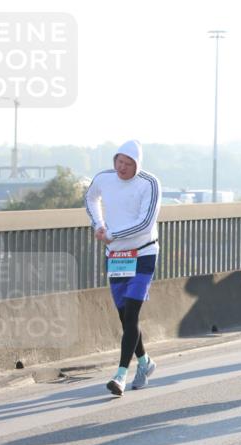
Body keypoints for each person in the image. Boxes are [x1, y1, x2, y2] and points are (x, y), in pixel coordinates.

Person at [84, 139, 161, 396]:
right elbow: (90, 197)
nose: (122, 167)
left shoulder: (149, 184)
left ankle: (120, 376)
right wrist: (99, 225)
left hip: (143, 253)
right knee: (123, 315)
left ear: (137, 165)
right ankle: (145, 362)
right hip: (117, 257)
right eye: (119, 161)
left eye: (128, 163)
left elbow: (145, 223)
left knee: (131, 315)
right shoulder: (104, 179)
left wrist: (112, 233)